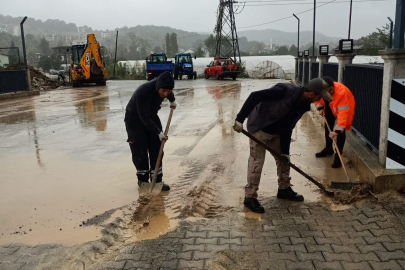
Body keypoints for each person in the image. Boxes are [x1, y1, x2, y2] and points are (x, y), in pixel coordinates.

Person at [233, 78, 331, 213]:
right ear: (312, 94)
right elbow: (255, 96)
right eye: (319, 97)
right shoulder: (284, 90)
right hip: (259, 128)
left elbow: (288, 127)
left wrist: (285, 151)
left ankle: (284, 189)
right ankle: (250, 197)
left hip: (276, 132)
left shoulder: (303, 106)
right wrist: (240, 119)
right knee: (257, 162)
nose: (317, 101)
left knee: (284, 161)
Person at [124, 71, 177, 191]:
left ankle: (157, 181)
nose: (165, 94)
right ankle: (143, 181)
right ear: (158, 87)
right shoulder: (142, 93)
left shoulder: (165, 88)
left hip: (151, 116)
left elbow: (168, 92)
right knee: (140, 150)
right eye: (164, 91)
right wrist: (158, 132)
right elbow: (144, 118)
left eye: (168, 91)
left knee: (157, 147)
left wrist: (172, 100)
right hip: (135, 120)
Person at [314, 76, 355, 168]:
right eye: (326, 92)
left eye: (331, 90)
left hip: (343, 106)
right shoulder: (321, 90)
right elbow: (317, 98)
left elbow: (343, 115)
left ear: (333, 86)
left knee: (340, 130)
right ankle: (328, 149)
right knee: (327, 123)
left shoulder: (341, 93)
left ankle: (338, 155)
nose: (329, 93)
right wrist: (320, 107)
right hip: (330, 104)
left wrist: (336, 131)